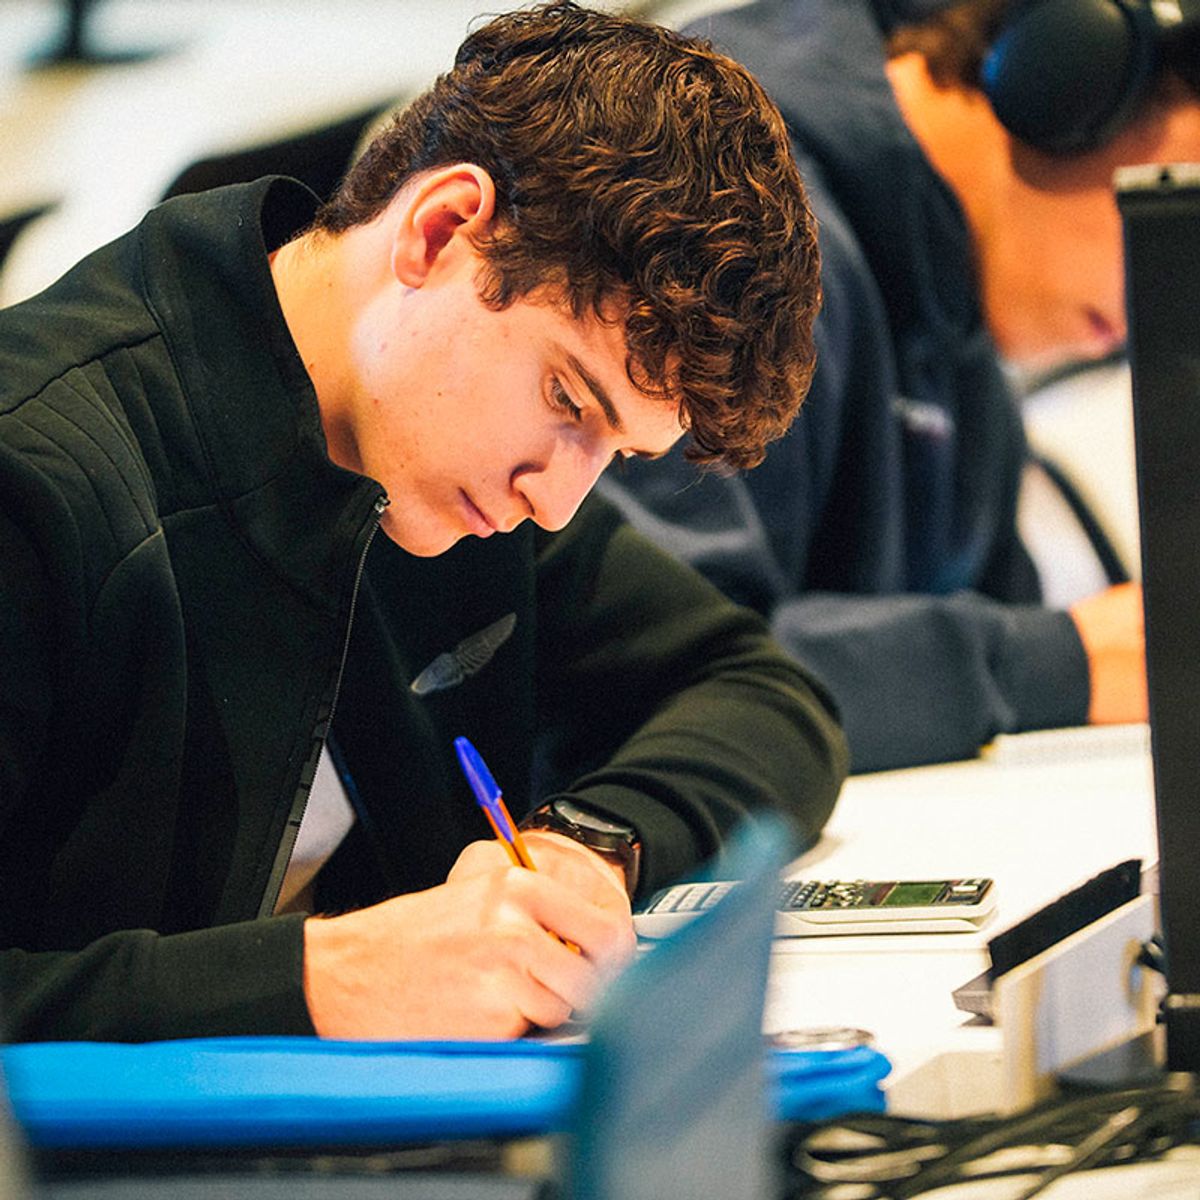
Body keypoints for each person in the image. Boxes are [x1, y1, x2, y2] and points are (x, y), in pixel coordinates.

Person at [0, 2, 845, 1043]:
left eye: (615, 451)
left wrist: (586, 849)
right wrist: (319, 980)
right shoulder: (34, 476)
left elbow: (765, 696)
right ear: (440, 230)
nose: (559, 496)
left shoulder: (443, 461)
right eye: (570, 401)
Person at [602, 0, 1200, 773]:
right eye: (1170, 203)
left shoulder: (964, 319)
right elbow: (670, 675)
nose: (1174, 293)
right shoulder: (726, 228)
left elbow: (987, 620)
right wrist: (1062, 660)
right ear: (1063, 81)